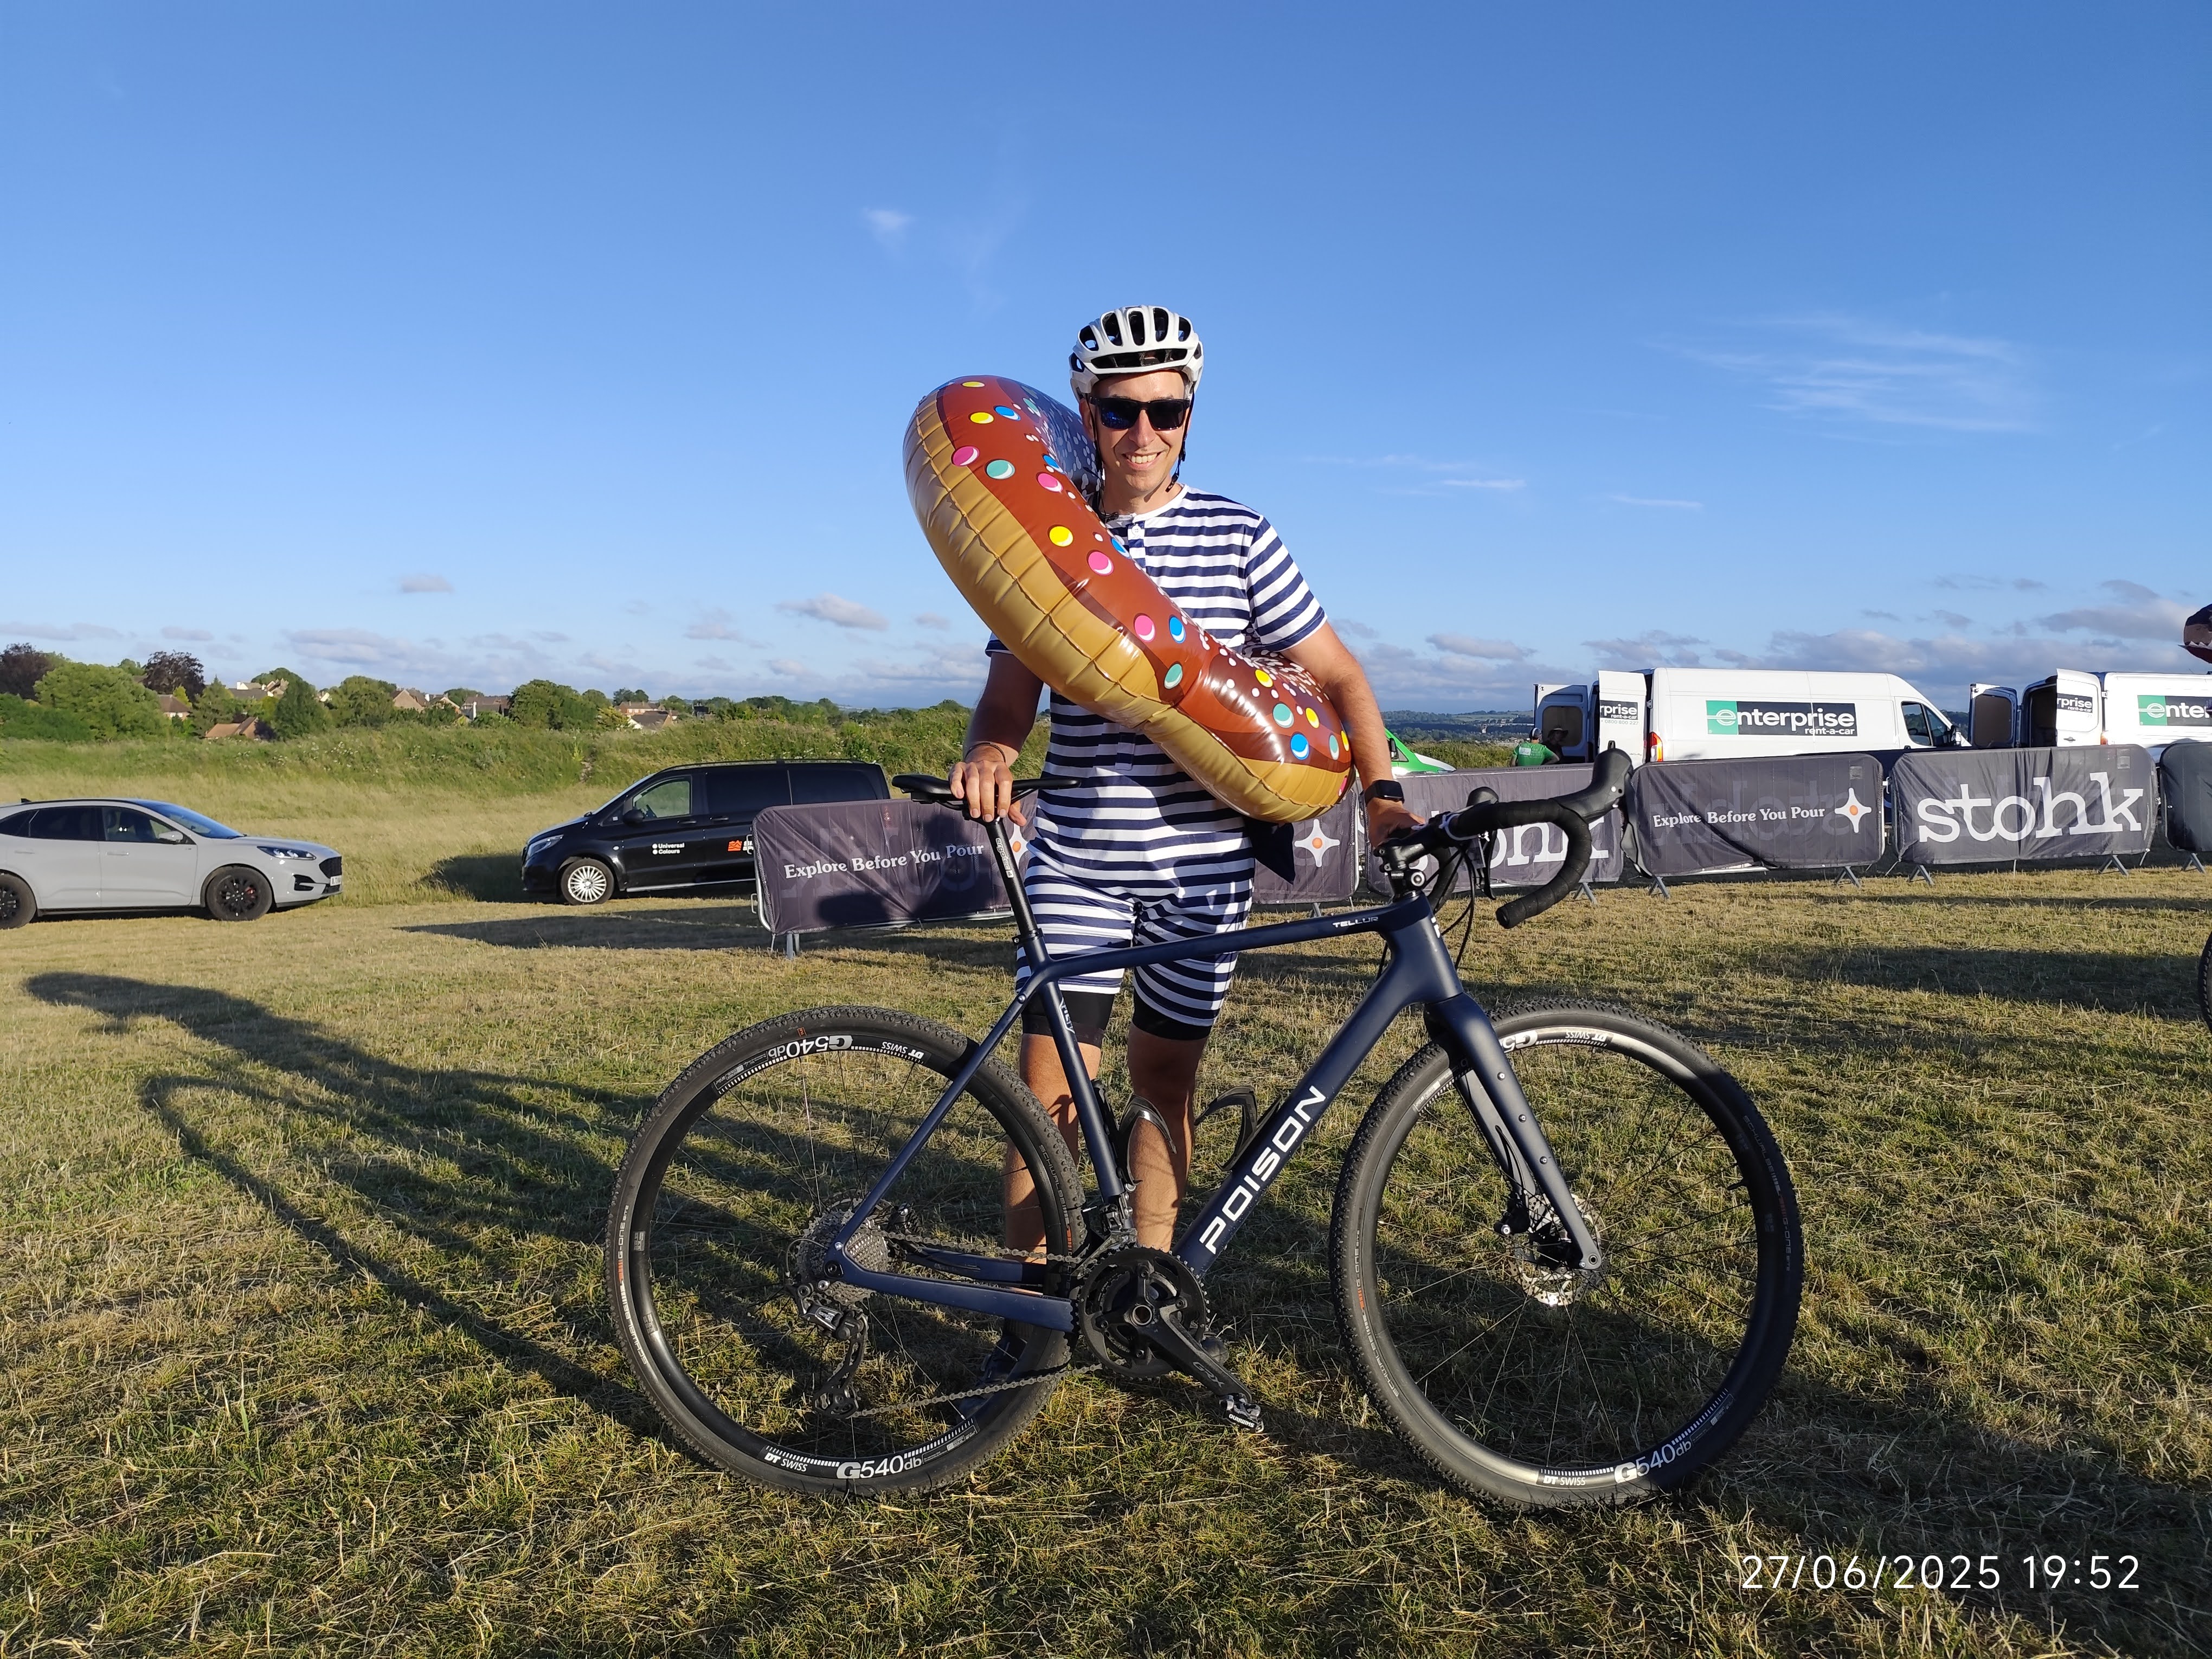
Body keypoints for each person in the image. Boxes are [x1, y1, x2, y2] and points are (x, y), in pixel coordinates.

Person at [950, 304, 1419, 1254]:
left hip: (1201, 871)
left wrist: (1384, 798)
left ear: (1190, 416)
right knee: (1046, 1097)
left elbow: (1339, 676)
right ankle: (1031, 1303)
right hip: (1076, 859)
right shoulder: (1044, 533)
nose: (1143, 433)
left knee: (1165, 1086)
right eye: (1120, 411)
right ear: (1086, 414)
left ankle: (1150, 1283)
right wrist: (992, 753)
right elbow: (1009, 695)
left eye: (1165, 411)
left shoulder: (1240, 536)